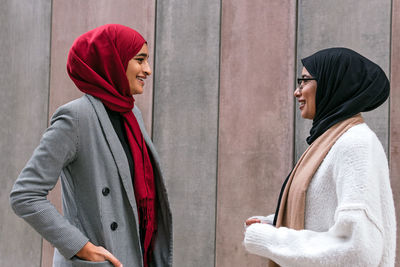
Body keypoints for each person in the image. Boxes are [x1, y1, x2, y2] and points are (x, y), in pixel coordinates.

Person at [10, 24, 172, 267]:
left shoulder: (131, 114)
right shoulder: (76, 118)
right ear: (113, 60)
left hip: (139, 255)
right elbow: (25, 194)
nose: (147, 70)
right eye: (140, 60)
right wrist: (80, 246)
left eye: (147, 60)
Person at [243, 48, 396, 266]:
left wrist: (271, 239)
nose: (297, 91)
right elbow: (330, 219)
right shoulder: (331, 140)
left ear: (332, 83)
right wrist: (276, 223)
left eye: (304, 81)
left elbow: (357, 249)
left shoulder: (355, 143)